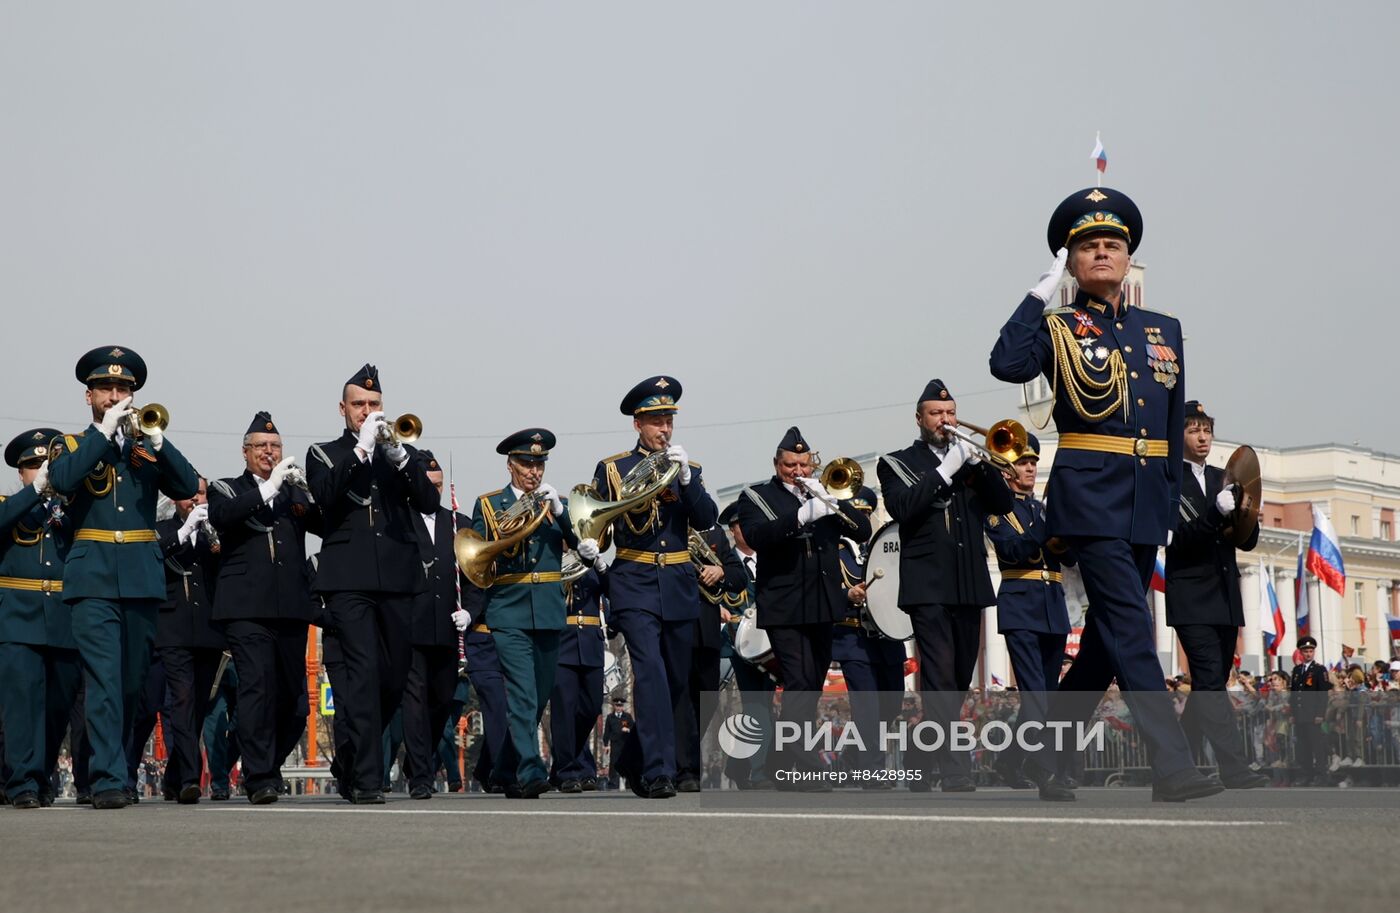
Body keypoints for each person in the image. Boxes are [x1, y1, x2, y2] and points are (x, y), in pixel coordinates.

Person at [989, 188, 1221, 803]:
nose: (1101, 253)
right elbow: (1005, 363)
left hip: (1147, 497)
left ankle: (1034, 756)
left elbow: (1171, 427)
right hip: (1089, 492)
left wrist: (1171, 498)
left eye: (1111, 245)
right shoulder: (1059, 326)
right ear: (1071, 258)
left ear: (1127, 256)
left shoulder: (1162, 329)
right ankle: (1171, 766)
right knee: (1131, 623)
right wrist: (1041, 291)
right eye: (1087, 246)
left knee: (1102, 646)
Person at [48, 347, 200, 809]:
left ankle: (120, 769)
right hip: (92, 576)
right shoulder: (72, 445)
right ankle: (109, 779)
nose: (115, 396)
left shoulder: (142, 445)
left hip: (139, 575)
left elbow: (186, 483)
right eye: (106, 389)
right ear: (89, 396)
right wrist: (103, 433)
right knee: (104, 682)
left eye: (123, 390)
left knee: (133, 685)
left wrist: (156, 440)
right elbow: (63, 480)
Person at [305, 365, 439, 803]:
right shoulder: (323, 453)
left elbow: (429, 501)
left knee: (394, 679)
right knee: (362, 675)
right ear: (342, 409)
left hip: (398, 576)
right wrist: (360, 452)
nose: (367, 412)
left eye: (374, 405)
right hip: (349, 579)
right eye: (359, 405)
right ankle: (366, 779)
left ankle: (348, 756)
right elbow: (323, 498)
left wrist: (400, 459)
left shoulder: (402, 453)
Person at [584, 376, 717, 798]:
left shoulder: (687, 469)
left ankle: (663, 763)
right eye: (656, 421)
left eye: (669, 421)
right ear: (637, 424)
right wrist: (591, 544)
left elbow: (708, 518)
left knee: (679, 679)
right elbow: (600, 525)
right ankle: (659, 771)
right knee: (652, 675)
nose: (665, 429)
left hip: (677, 581)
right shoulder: (614, 469)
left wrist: (685, 482)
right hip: (634, 580)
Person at [876, 380, 1012, 792]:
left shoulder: (970, 459)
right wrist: (946, 468)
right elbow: (902, 507)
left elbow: (1003, 504)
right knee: (937, 676)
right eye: (937, 414)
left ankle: (920, 754)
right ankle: (956, 769)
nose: (946, 420)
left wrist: (980, 465)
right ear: (919, 418)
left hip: (968, 582)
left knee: (955, 680)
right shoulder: (896, 462)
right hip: (927, 584)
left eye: (950, 412)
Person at [736, 426, 872, 788]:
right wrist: (800, 517)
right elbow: (756, 537)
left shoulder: (824, 492)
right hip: (783, 602)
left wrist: (832, 501)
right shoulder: (757, 496)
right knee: (797, 679)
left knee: (811, 684)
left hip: (824, 602)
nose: (797, 471)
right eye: (789, 465)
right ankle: (806, 766)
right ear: (776, 463)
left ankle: (782, 763)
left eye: (803, 464)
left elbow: (862, 530)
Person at [208, 411, 322, 804]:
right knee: (257, 689)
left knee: (295, 704)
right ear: (245, 452)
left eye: (275, 447)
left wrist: (310, 492)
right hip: (246, 608)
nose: (269, 453)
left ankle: (265, 764)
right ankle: (259, 777)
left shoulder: (293, 492)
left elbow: (325, 523)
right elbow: (224, 518)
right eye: (261, 446)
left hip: (291, 607)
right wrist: (267, 489)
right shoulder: (226, 488)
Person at [1165, 400, 1269, 789]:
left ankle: (1174, 760)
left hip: (1225, 596)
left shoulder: (1222, 478)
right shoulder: (1168, 481)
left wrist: (1249, 513)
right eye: (1193, 429)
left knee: (1212, 681)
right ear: (1179, 436)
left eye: (1207, 428)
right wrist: (1213, 513)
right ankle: (1234, 767)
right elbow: (1176, 542)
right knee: (1209, 681)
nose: (1203, 435)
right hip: (1191, 596)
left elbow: (1245, 542)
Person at [469, 428, 578, 798]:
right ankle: (532, 771)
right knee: (523, 694)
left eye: (540, 463)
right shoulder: (488, 505)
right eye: (527, 463)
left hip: (547, 609)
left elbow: (581, 543)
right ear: (510, 464)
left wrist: (561, 513)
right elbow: (479, 557)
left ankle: (503, 768)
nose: (534, 471)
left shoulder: (555, 503)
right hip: (508, 609)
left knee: (541, 694)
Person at [0, 428, 80, 808]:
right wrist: (35, 492)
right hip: (18, 617)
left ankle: (41, 774)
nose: (40, 470)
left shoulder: (74, 508)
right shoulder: (8, 504)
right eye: (32, 465)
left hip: (63, 617)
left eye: (47, 464)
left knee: (57, 708)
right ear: (21, 473)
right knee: (21, 705)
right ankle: (22, 784)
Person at [401, 450, 479, 799]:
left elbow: (477, 579)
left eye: (437, 484)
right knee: (414, 703)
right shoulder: (399, 522)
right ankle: (420, 775)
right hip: (411, 629)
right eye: (425, 485)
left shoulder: (460, 524)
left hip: (448, 630)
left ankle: (420, 759)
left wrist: (472, 612)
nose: (431, 491)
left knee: (440, 702)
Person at [154, 478, 228, 803]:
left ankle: (174, 775)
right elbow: (155, 558)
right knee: (182, 701)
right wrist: (185, 532)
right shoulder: (160, 528)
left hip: (208, 630)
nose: (194, 500)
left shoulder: (215, 530)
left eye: (199, 493)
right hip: (173, 628)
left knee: (198, 704)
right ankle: (189, 778)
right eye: (187, 494)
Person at [830, 486, 905, 786]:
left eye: (864, 514)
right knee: (867, 707)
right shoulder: (833, 548)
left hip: (887, 637)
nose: (859, 520)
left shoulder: (884, 546)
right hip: (852, 637)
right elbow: (823, 590)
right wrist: (847, 594)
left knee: (891, 705)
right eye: (854, 514)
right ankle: (871, 769)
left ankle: (851, 756)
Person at [675, 520, 749, 791]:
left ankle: (676, 762)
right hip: (674, 626)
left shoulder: (713, 533)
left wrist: (720, 571)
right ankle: (684, 769)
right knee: (679, 698)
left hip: (705, 629)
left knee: (706, 697)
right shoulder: (661, 529)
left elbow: (737, 575)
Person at [718, 502, 777, 789]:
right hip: (736, 644)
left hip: (769, 643)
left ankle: (737, 765)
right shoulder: (723, 562)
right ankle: (760, 769)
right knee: (756, 703)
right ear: (733, 530)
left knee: (763, 703)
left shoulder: (771, 559)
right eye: (743, 525)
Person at [549, 558, 608, 793]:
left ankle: (562, 762)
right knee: (564, 710)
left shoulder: (591, 564)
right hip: (563, 642)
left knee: (592, 707)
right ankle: (567, 772)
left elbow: (613, 589)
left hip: (591, 643)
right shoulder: (554, 562)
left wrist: (602, 567)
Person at [1290, 635, 1331, 785]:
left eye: (1311, 651)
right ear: (1301, 652)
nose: (1308, 654)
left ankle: (1321, 774)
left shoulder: (1319, 670)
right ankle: (1307, 773)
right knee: (1303, 746)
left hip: (1313, 714)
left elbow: (1322, 693)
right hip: (1301, 714)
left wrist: (1320, 713)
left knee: (1316, 746)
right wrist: (1293, 714)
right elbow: (1294, 694)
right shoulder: (1297, 670)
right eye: (1305, 651)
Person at [602, 696, 635, 790]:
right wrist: (605, 744)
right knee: (614, 762)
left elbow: (633, 728)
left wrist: (628, 729)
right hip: (615, 743)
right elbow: (607, 732)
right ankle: (613, 783)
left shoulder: (627, 716)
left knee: (627, 762)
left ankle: (630, 783)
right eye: (617, 705)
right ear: (614, 706)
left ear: (623, 706)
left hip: (625, 743)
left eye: (620, 705)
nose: (619, 707)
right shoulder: (610, 717)